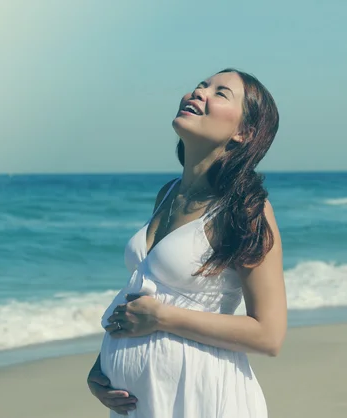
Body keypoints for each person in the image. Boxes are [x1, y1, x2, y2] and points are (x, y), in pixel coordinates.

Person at [86, 68, 286, 418]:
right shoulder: (167, 195)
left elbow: (268, 334)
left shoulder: (245, 208)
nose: (199, 92)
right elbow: (146, 292)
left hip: (203, 400)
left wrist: (164, 317)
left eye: (220, 93)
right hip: (145, 405)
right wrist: (100, 367)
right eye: (201, 85)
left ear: (244, 132)